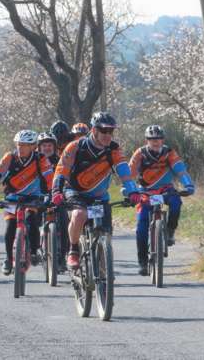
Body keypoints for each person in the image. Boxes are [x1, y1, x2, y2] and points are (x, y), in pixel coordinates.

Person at [51, 112, 140, 270]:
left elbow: (124, 172)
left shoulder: (114, 149)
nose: (108, 135)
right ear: (94, 130)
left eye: (110, 131)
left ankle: (103, 274)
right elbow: (61, 170)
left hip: (99, 197)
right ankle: (73, 251)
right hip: (75, 192)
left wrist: (133, 191)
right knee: (79, 215)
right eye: (103, 131)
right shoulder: (75, 146)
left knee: (106, 235)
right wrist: (56, 191)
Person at [0, 130, 54, 275]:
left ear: (33, 146)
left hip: (32, 198)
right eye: (18, 144)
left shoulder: (40, 159)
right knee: (10, 226)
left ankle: (34, 252)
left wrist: (50, 195)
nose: (20, 148)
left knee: (31, 220)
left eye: (24, 145)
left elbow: (49, 178)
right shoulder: (9, 157)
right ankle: (9, 259)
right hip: (12, 198)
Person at [129, 125, 195, 275]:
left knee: (176, 203)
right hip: (145, 192)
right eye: (152, 139)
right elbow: (129, 173)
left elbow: (180, 169)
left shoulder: (169, 153)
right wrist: (129, 190)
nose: (155, 142)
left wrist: (188, 184)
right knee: (141, 227)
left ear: (162, 140)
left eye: (158, 139)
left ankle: (170, 231)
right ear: (147, 140)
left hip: (165, 189)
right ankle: (143, 263)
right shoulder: (140, 154)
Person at [37, 131, 68, 270]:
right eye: (44, 145)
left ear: (54, 147)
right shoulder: (34, 161)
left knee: (64, 221)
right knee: (32, 220)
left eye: (49, 145)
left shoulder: (61, 161)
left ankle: (62, 257)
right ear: (39, 147)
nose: (47, 148)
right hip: (38, 196)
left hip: (57, 196)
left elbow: (68, 177)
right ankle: (33, 248)